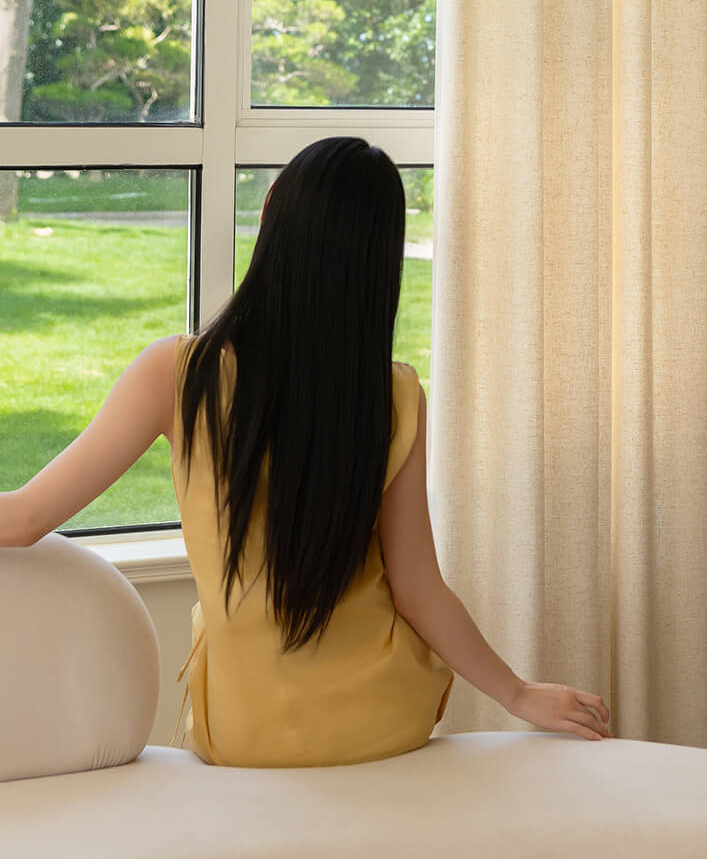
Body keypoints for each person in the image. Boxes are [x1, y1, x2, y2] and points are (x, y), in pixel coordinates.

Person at [0, 137, 610, 765]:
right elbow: (417, 587)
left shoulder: (180, 375)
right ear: (379, 261)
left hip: (251, 732)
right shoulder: (395, 393)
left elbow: (21, 520)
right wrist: (518, 693)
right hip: (385, 720)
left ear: (268, 211)